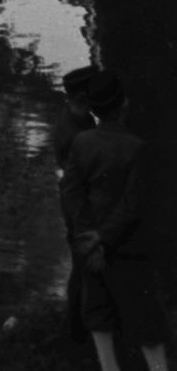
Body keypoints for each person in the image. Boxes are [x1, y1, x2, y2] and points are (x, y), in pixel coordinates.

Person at [60, 71, 170, 371]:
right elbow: (134, 202)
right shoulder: (137, 148)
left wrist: (87, 236)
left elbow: (71, 192)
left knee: (99, 314)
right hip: (128, 247)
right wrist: (102, 236)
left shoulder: (82, 142)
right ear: (124, 105)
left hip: (93, 250)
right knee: (147, 321)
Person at [55, 65, 99, 342]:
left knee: (82, 270)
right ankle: (77, 334)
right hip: (80, 210)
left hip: (78, 205)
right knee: (84, 271)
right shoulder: (75, 134)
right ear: (84, 94)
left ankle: (78, 331)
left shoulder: (79, 122)